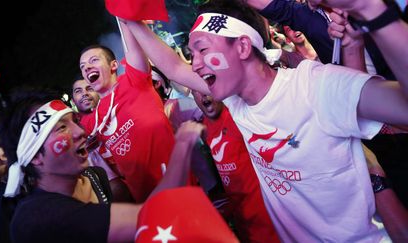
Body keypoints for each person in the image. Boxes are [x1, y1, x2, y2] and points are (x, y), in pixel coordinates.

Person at [122, 0, 408, 241]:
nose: (194, 63)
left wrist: (373, 12)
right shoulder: (236, 100)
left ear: (244, 47)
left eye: (203, 49)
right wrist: (127, 14)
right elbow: (172, 67)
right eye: (192, 53)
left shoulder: (314, 86)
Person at [0, 86, 234, 242]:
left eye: (74, 121)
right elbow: (151, 216)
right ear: (34, 156)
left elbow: (141, 213)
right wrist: (181, 147)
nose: (80, 132)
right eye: (61, 128)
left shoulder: (94, 177)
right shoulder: (36, 219)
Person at [78, 21, 176, 203]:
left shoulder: (134, 80)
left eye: (93, 61)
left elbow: (132, 44)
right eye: (83, 67)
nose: (87, 68)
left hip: (179, 186)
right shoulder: (91, 123)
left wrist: (123, 15)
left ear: (114, 65)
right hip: (146, 204)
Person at [191, 90, 280, 243]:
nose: (203, 95)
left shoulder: (237, 115)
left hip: (265, 216)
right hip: (241, 217)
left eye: (205, 87)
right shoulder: (203, 128)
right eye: (196, 91)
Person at [71, 76, 134, 202]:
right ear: (73, 100)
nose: (85, 94)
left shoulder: (117, 110)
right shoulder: (76, 134)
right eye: (78, 91)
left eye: (89, 88)